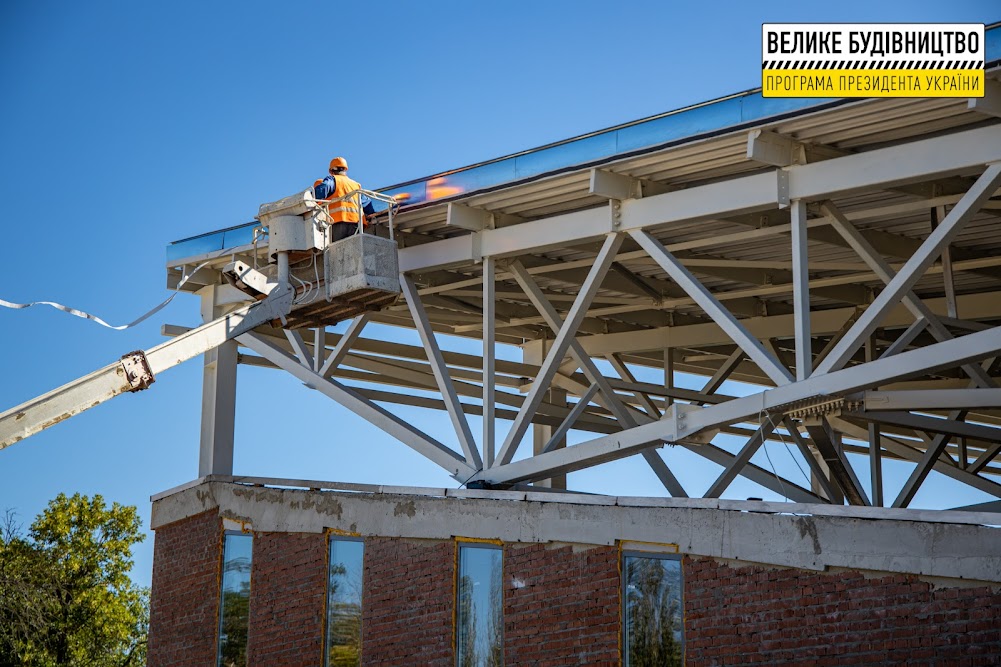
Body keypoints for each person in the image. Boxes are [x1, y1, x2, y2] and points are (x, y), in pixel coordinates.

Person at [313, 157, 376, 242]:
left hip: (338, 222)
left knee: (337, 251)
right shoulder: (356, 185)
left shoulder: (333, 180)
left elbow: (321, 191)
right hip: (356, 223)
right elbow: (367, 203)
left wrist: (309, 199)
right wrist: (371, 214)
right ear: (345, 170)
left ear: (331, 171)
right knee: (355, 250)